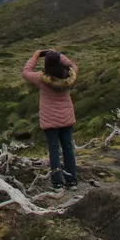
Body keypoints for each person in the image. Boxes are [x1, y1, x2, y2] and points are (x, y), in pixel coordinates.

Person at [22, 48, 79, 191]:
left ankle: (57, 182)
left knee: (54, 149)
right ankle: (72, 181)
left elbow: (26, 72)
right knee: (68, 148)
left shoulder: (41, 78)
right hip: (66, 118)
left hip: (50, 120)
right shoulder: (69, 76)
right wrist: (59, 55)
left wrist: (35, 56)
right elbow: (73, 65)